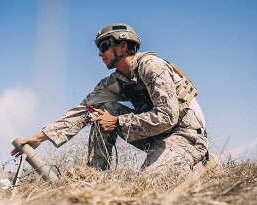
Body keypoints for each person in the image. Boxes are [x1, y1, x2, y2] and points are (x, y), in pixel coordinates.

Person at [11, 23, 208, 180]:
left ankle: (199, 164)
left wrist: (118, 122)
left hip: (186, 137)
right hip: (156, 137)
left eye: (104, 46)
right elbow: (83, 110)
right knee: (100, 110)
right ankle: (94, 177)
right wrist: (39, 137)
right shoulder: (116, 81)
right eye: (99, 48)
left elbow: (168, 116)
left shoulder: (152, 67)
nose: (99, 53)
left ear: (123, 46)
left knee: (150, 183)